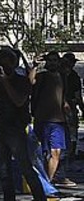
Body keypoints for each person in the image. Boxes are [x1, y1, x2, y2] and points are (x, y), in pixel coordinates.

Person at [0, 48, 51, 201]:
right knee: (3, 170)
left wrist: (5, 81)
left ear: (13, 64)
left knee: (26, 168)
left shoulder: (21, 81)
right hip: (0, 128)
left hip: (15, 129)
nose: (4, 67)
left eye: (6, 63)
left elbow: (19, 101)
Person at [31, 53, 69, 188]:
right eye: (50, 60)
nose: (52, 63)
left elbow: (63, 95)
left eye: (55, 60)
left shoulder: (62, 77)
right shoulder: (42, 76)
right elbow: (30, 83)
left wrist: (65, 106)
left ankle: (47, 182)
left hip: (58, 121)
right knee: (42, 153)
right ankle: (41, 181)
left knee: (56, 152)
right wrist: (34, 66)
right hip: (42, 119)